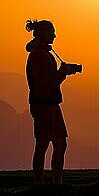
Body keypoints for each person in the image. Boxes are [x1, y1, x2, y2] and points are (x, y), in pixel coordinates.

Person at [25, 19, 79, 184]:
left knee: (60, 143)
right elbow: (45, 84)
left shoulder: (44, 53)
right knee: (42, 144)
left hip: (51, 104)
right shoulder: (38, 56)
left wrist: (62, 73)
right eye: (52, 32)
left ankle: (57, 183)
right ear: (43, 34)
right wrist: (62, 73)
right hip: (43, 105)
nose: (55, 35)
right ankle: (39, 185)